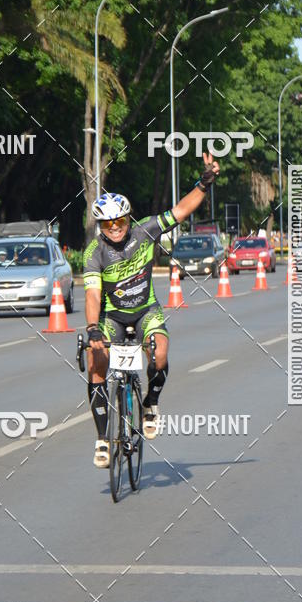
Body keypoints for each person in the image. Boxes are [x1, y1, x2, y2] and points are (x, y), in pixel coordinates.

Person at [83, 153, 220, 468]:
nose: (115, 228)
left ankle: (151, 403)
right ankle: (103, 438)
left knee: (159, 352)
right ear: (101, 225)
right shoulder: (94, 253)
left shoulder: (145, 232)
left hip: (146, 309)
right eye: (108, 223)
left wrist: (204, 183)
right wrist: (92, 328)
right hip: (111, 317)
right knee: (96, 361)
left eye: (119, 221)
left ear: (128, 219)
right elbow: (92, 295)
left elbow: (181, 210)